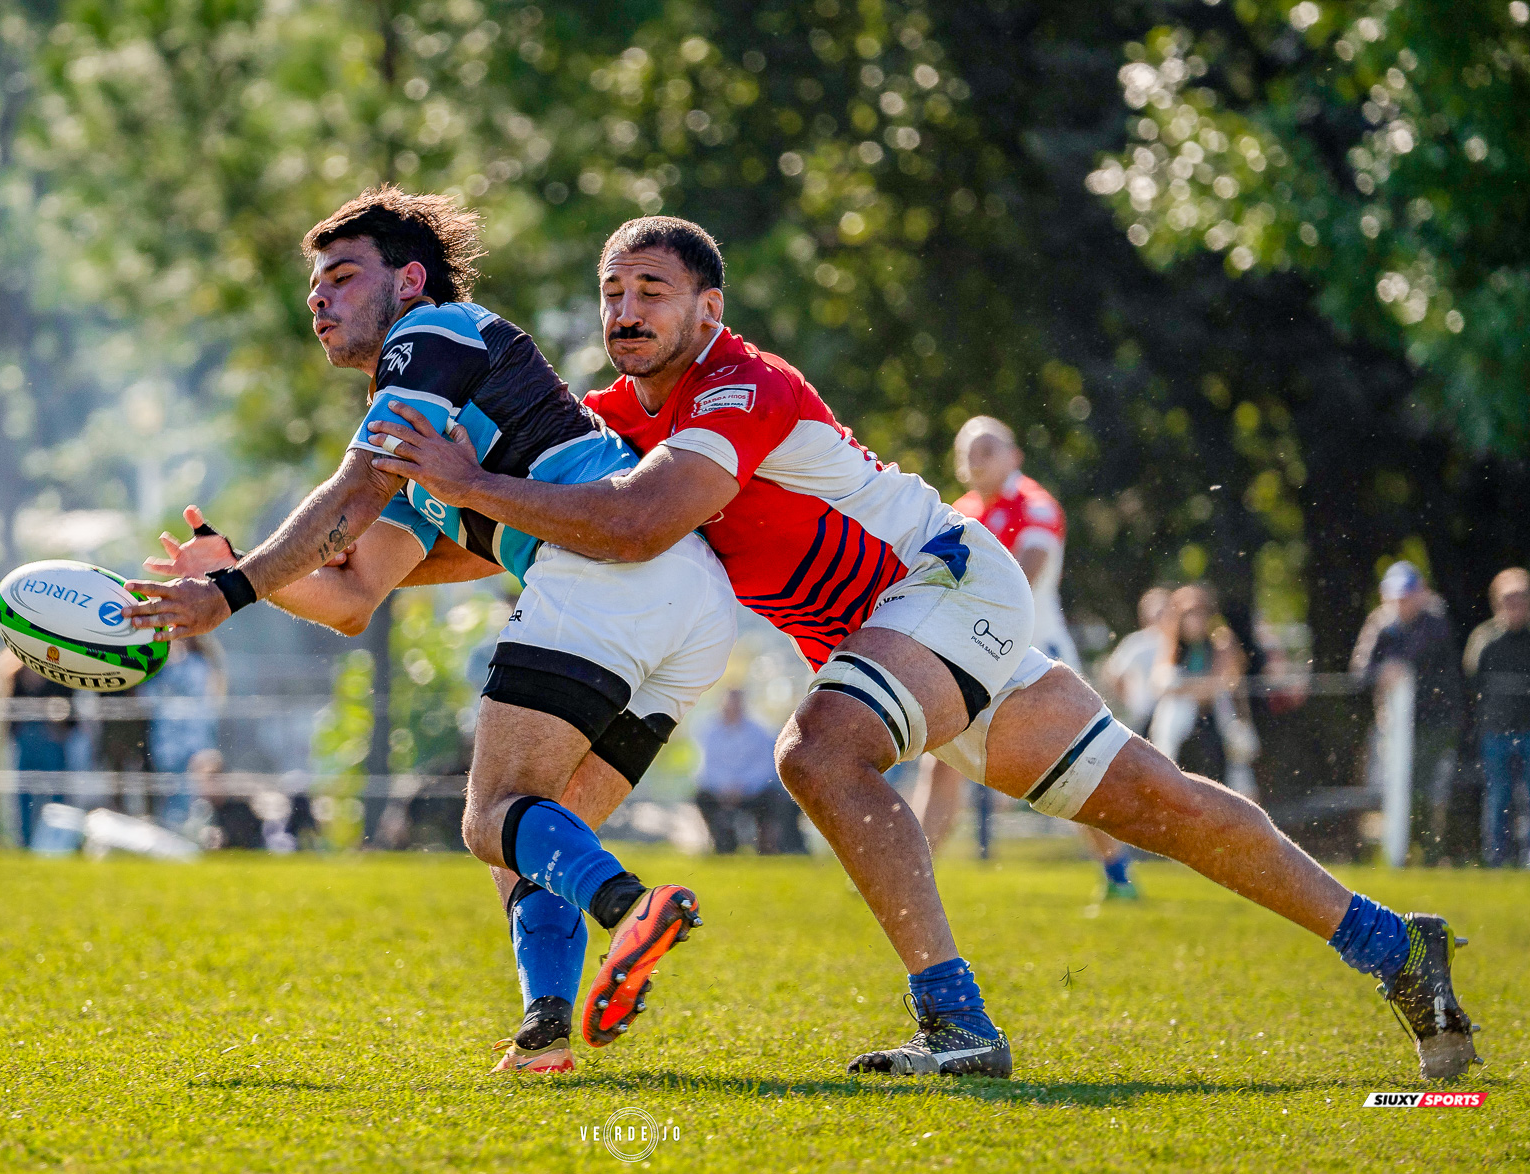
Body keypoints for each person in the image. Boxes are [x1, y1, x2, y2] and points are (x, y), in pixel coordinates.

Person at [368, 215, 1480, 1080]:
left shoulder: (741, 383)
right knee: (1163, 806)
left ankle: (956, 1022)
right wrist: (369, 569)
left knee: (819, 751)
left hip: (941, 585)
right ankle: (1394, 947)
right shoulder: (613, 416)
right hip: (904, 634)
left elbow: (638, 521)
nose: (626, 308)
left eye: (652, 289)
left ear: (710, 306)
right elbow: (549, 524)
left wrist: (467, 481)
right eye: (613, 292)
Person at [125, 188, 738, 1076]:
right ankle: (545, 1032)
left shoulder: (433, 333)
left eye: (344, 275)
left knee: (491, 817)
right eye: (314, 286)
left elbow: (352, 492)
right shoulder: (429, 424)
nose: (320, 297)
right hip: (690, 603)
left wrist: (229, 590)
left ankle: (629, 906)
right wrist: (238, 563)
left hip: (604, 575)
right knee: (540, 835)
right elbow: (353, 596)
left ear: (409, 281)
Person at [912, 417, 1137, 897]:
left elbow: (1024, 575)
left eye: (987, 449)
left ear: (1014, 456)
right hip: (978, 652)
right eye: (968, 451)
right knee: (941, 761)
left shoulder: (1035, 504)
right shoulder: (961, 512)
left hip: (1037, 655)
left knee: (1071, 768)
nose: (976, 460)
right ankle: (909, 872)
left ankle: (1118, 870)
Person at [1352, 562, 1469, 864]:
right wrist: (1382, 672)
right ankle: (1405, 852)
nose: (1401, 603)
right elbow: (1360, 671)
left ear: (1421, 593)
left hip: (1436, 722)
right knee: (1397, 788)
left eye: (1407, 596)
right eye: (1396, 597)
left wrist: (1397, 667)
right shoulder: (1381, 624)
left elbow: (1420, 661)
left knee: (1424, 789)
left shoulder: (1436, 622)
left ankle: (1428, 854)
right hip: (1396, 726)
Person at [1146, 583, 1254, 786]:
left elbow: (1220, 685)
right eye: (1189, 614)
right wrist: (1190, 687)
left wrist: (1183, 687)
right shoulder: (1172, 644)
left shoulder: (1221, 642)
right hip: (1180, 733)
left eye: (1200, 613)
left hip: (1214, 725)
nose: (1195, 620)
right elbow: (1159, 684)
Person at [1470, 568, 1530, 867]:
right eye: (1509, 599)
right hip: (1495, 732)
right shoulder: (1485, 640)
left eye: (1521, 598)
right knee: (1498, 798)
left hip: (1528, 731)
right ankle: (1496, 859)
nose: (1515, 605)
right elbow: (1472, 684)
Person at [692, 688, 798, 855]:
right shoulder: (708, 731)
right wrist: (725, 787)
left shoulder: (759, 731)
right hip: (720, 791)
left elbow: (764, 767)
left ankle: (766, 844)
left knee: (773, 799)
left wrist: (743, 787)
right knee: (702, 797)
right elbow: (707, 766)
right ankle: (723, 841)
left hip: (751, 791)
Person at [142, 634, 227, 827]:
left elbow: (207, 703)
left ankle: (194, 829)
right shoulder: (163, 669)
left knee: (193, 792)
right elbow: (148, 698)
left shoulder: (199, 665)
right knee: (170, 791)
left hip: (194, 740)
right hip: (167, 742)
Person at [0, 648, 75, 848]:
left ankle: (58, 843)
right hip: (26, 742)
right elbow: (9, 713)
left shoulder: (61, 672)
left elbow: (70, 710)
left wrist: (61, 726)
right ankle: (24, 843)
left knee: (57, 795)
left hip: (52, 741)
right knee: (23, 797)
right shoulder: (15, 673)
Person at [1101, 587, 1175, 737]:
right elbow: (1114, 674)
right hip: (1144, 714)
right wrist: (1129, 701)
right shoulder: (1137, 642)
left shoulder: (1177, 642)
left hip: (1170, 711)